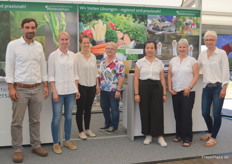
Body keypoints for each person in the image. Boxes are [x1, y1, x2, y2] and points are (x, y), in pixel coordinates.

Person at [5, 18, 49, 163]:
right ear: (22, 29)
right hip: (20, 89)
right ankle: (17, 149)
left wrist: (46, 85)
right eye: (27, 27)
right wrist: (11, 87)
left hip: (37, 88)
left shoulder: (39, 46)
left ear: (36, 29)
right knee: (17, 122)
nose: (30, 30)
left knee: (35, 120)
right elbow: (9, 67)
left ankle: (36, 145)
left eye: (33, 28)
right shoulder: (13, 45)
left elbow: (42, 67)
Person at [48, 32, 80, 154]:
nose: (65, 42)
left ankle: (67, 140)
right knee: (56, 118)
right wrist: (54, 91)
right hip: (59, 92)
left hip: (71, 91)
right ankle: (56, 143)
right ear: (58, 40)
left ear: (69, 41)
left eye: (67, 39)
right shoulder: (53, 55)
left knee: (68, 117)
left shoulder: (73, 55)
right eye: (62, 39)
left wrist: (76, 89)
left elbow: (75, 74)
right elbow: (51, 76)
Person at [198, 31, 230, 147]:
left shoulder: (221, 53)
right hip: (206, 87)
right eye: (207, 40)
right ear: (204, 41)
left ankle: (213, 137)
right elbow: (197, 66)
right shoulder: (202, 54)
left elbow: (226, 72)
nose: (209, 42)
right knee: (205, 113)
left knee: (216, 114)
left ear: (216, 41)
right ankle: (210, 131)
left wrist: (224, 88)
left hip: (218, 87)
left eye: (211, 40)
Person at [134, 41, 167, 146]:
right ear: (145, 49)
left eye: (152, 48)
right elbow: (136, 78)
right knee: (145, 111)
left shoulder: (159, 63)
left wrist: (164, 93)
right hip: (143, 88)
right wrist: (136, 93)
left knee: (158, 112)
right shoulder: (139, 62)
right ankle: (148, 135)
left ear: (155, 49)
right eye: (147, 48)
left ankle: (160, 136)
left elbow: (162, 79)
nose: (149, 50)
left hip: (157, 88)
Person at [168, 38, 199, 147]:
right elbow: (170, 75)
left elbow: (196, 75)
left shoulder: (192, 60)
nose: (182, 49)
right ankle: (179, 135)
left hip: (188, 92)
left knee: (186, 115)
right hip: (176, 91)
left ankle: (187, 138)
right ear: (177, 48)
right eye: (180, 47)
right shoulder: (173, 60)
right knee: (178, 114)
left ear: (187, 48)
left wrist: (189, 87)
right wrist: (169, 87)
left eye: (184, 47)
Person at [75, 35, 100, 140]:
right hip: (81, 85)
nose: (86, 44)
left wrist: (97, 86)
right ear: (81, 43)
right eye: (84, 42)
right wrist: (76, 89)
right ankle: (80, 131)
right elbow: (75, 73)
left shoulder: (93, 56)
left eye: (87, 42)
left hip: (92, 86)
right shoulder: (76, 56)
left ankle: (88, 129)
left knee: (88, 109)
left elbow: (95, 72)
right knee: (80, 109)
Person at [98, 42, 125, 134]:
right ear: (105, 50)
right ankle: (107, 124)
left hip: (114, 90)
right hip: (103, 89)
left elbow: (121, 77)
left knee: (114, 108)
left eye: (112, 49)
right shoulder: (102, 60)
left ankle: (114, 126)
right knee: (104, 107)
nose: (109, 50)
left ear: (115, 50)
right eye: (108, 48)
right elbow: (99, 74)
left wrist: (118, 90)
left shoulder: (119, 63)